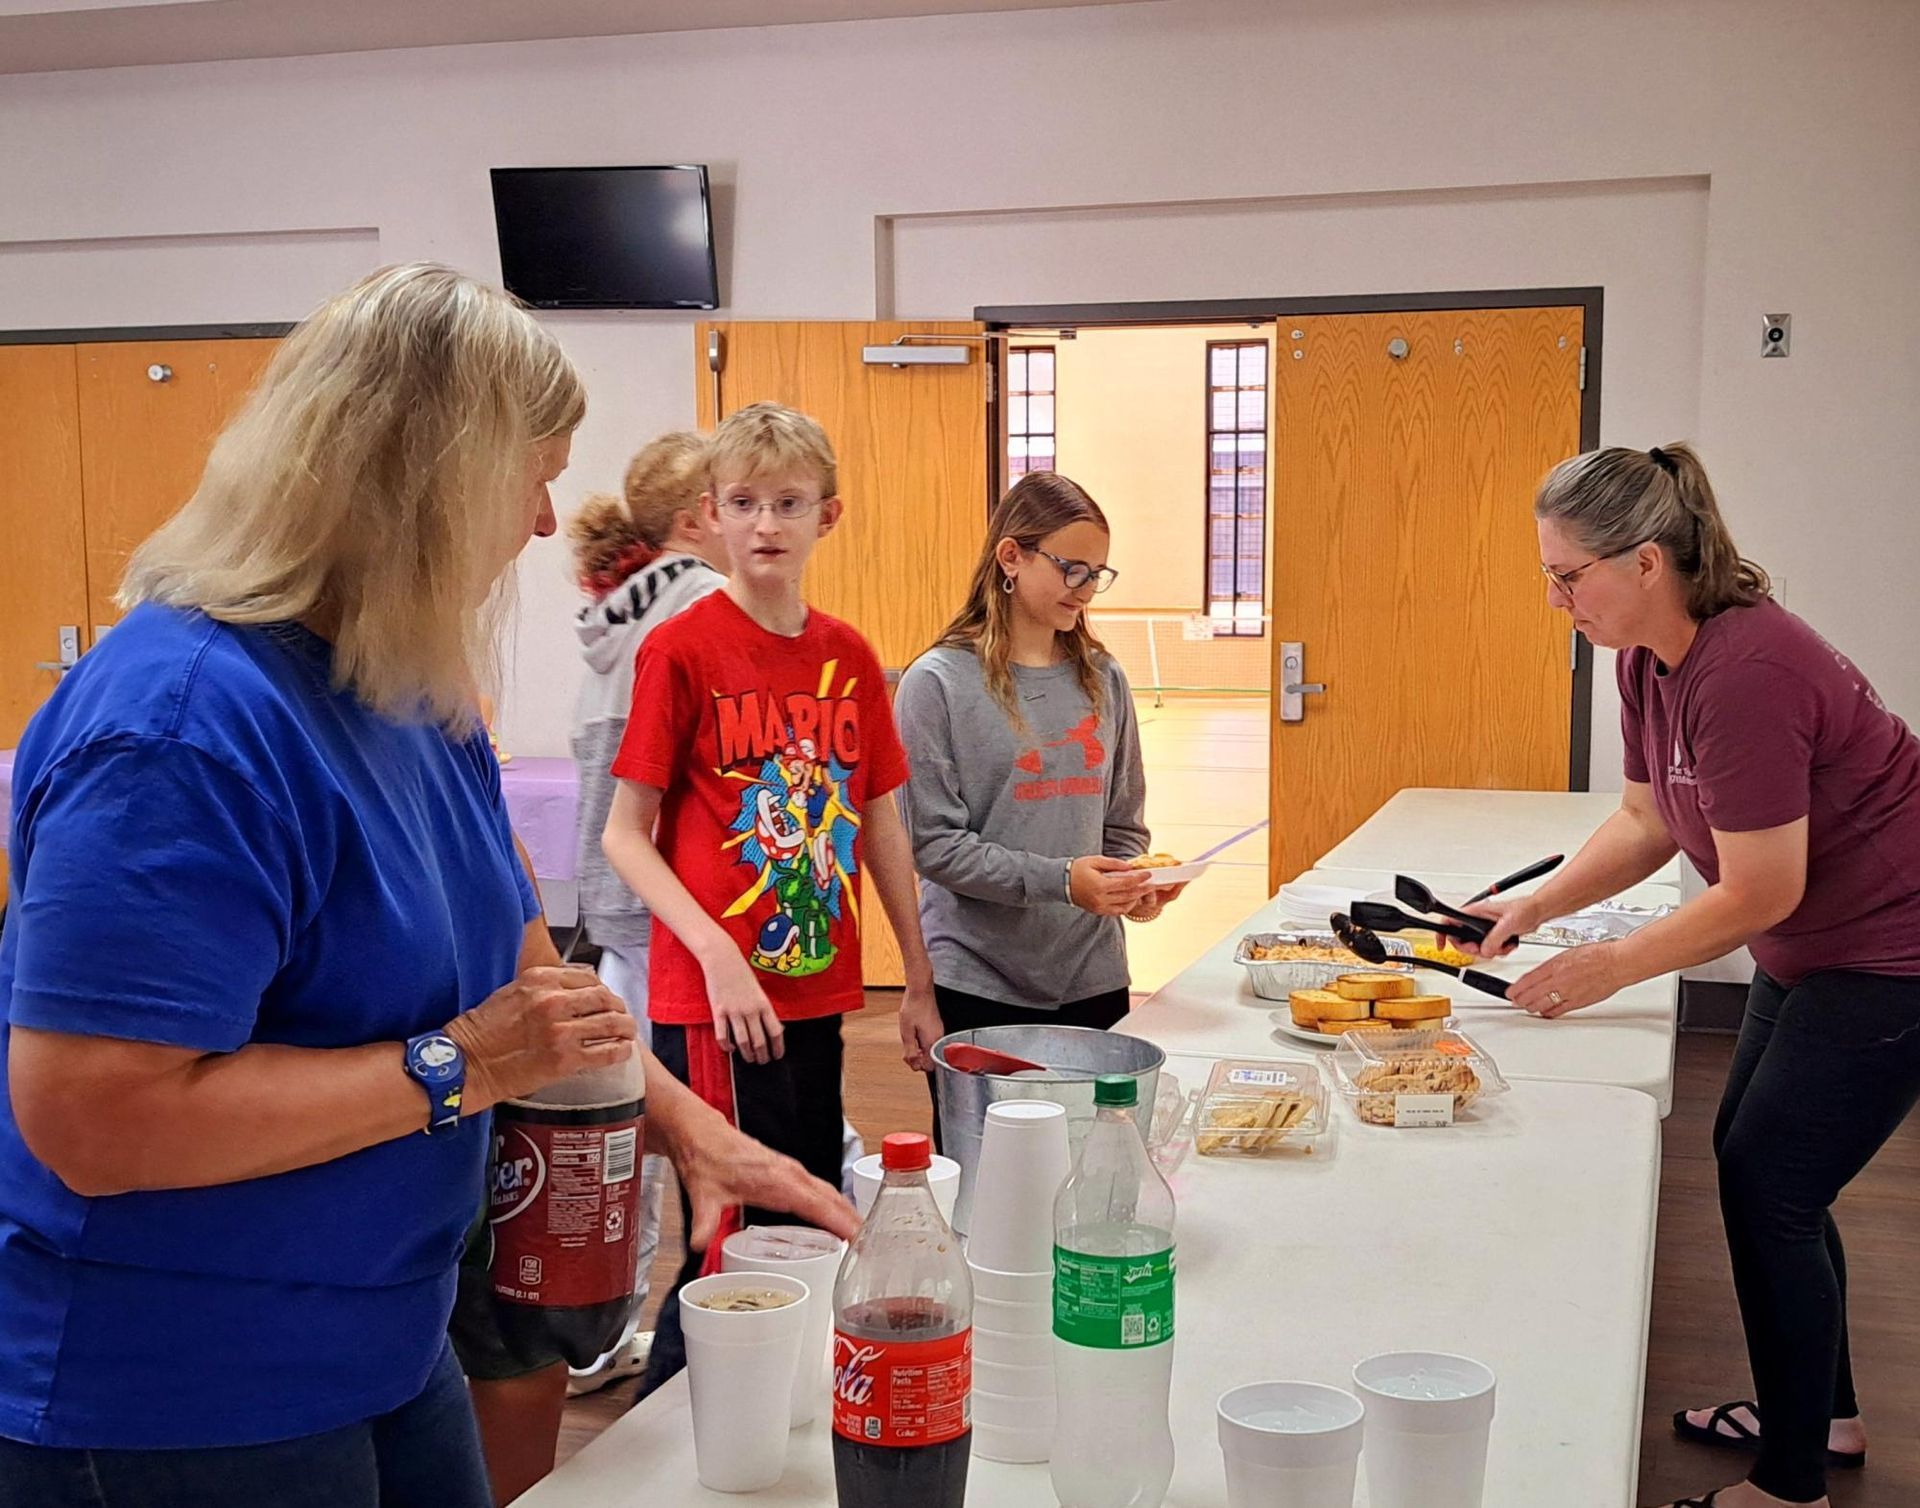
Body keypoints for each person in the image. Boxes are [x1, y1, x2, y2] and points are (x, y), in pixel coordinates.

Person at [0, 265, 856, 1508]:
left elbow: (527, 983)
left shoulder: (405, 687)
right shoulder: (182, 726)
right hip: (177, 1391)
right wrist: (454, 1066)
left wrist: (691, 1127)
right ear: (419, 484)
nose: (539, 519)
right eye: (530, 474)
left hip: (388, 1342)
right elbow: (92, 1115)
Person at [1461, 444, 1920, 1508]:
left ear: (1650, 560)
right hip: (1817, 944)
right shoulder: (1646, 658)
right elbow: (1649, 818)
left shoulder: (1748, 668)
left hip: (1889, 952)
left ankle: (1792, 1478)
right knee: (1758, 1166)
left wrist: (1607, 966)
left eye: (1569, 576)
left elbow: (1760, 886)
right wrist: (1534, 907)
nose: (1555, 597)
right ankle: (1823, 1412)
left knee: (1776, 1183)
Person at [601, 401, 938, 1391]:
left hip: (814, 992)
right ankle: (675, 1426)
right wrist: (712, 951)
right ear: (708, 514)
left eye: (787, 502)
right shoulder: (684, 649)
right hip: (714, 1002)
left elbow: (880, 822)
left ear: (827, 516)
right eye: (743, 502)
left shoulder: (847, 657)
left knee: (805, 1221)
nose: (764, 524)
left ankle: (776, 1421)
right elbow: (625, 832)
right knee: (727, 1247)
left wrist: (917, 977)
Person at [892, 472, 1181, 1143]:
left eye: (1096, 573)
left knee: (1094, 1177)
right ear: (1011, 558)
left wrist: (1129, 883)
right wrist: (1062, 881)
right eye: (1070, 567)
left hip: (1093, 981)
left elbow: (1123, 822)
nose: (1083, 588)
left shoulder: (1102, 677)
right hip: (978, 987)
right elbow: (935, 846)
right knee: (992, 1193)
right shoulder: (936, 683)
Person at [563, 436, 731, 1395]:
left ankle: (596, 1335)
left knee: (629, 1130)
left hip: (617, 912)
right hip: (679, 913)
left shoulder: (609, 619)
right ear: (701, 514)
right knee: (701, 1124)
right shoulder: (701, 606)